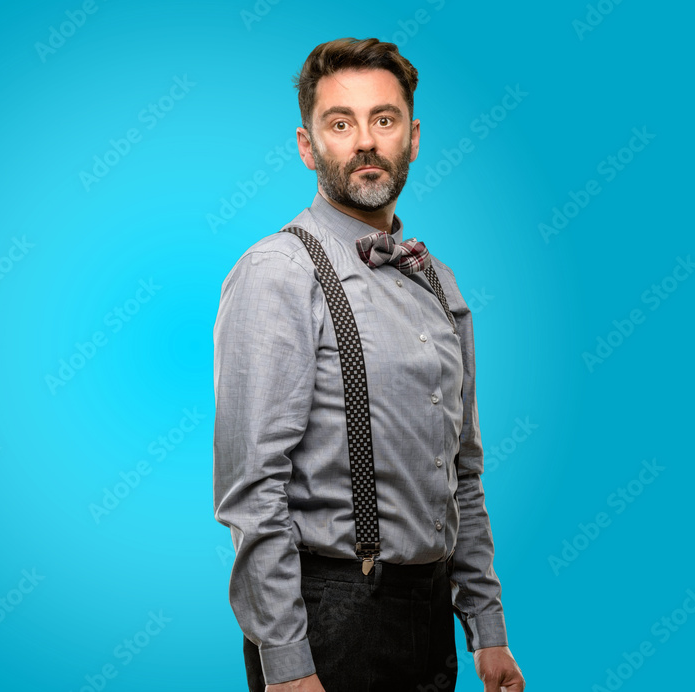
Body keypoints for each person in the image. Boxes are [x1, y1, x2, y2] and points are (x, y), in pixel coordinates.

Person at [212, 38, 526, 692]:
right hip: (331, 620)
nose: (364, 140)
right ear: (307, 146)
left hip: (430, 616)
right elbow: (252, 488)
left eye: (382, 120)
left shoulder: (440, 283)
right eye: (340, 122)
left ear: (411, 138)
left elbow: (462, 472)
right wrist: (287, 665)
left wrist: (486, 630)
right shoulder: (279, 271)